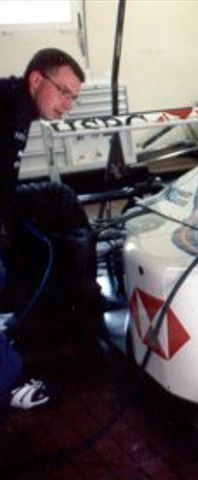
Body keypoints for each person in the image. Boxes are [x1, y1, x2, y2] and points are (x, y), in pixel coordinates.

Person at [1, 48, 86, 409]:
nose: (68, 105)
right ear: (36, 80)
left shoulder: (18, 109)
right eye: (64, 92)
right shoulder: (6, 106)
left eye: (73, 98)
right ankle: (8, 384)